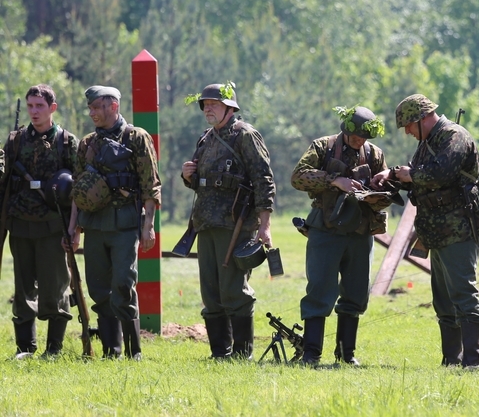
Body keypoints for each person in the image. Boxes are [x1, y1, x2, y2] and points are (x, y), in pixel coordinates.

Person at [372, 94, 479, 368]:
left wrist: (408, 175)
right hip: (437, 229)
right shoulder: (427, 143)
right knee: (442, 298)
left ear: (422, 119)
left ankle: (472, 361)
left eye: (408, 126)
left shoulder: (455, 136)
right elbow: (419, 175)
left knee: (462, 291)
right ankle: (452, 360)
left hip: (461, 226)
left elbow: (439, 174)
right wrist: (391, 176)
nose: (407, 132)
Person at [181, 83, 275, 360]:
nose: (207, 108)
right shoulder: (206, 138)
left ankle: (241, 353)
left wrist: (264, 224)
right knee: (211, 293)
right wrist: (188, 176)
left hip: (236, 224)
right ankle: (220, 352)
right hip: (206, 223)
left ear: (230, 107)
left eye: (214, 103)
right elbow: (202, 183)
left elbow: (264, 179)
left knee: (234, 290)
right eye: (205, 104)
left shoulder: (245, 134)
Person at [291, 106, 390, 366]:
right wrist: (335, 180)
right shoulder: (323, 146)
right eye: (357, 136)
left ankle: (347, 355)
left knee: (356, 293)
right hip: (326, 231)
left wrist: (380, 187)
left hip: (359, 232)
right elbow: (298, 177)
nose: (360, 142)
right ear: (346, 130)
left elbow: (386, 195)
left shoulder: (374, 154)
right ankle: (312, 353)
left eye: (365, 138)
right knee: (319, 290)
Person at [69, 86, 161, 360]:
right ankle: (113, 351)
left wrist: (149, 226)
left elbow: (150, 185)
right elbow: (77, 189)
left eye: (97, 107)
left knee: (123, 283)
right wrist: (74, 228)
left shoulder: (136, 137)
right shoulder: (87, 143)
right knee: (98, 288)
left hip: (124, 225)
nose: (92, 112)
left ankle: (134, 351)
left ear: (114, 106)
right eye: (90, 108)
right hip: (95, 225)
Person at [0, 85, 77, 358]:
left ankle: (53, 349)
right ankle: (25, 348)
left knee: (55, 287)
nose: (34, 111)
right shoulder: (16, 141)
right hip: (20, 223)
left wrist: (73, 228)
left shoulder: (66, 141)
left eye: (39, 106)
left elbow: (77, 190)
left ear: (52, 108)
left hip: (53, 226)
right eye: (30, 106)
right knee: (22, 289)